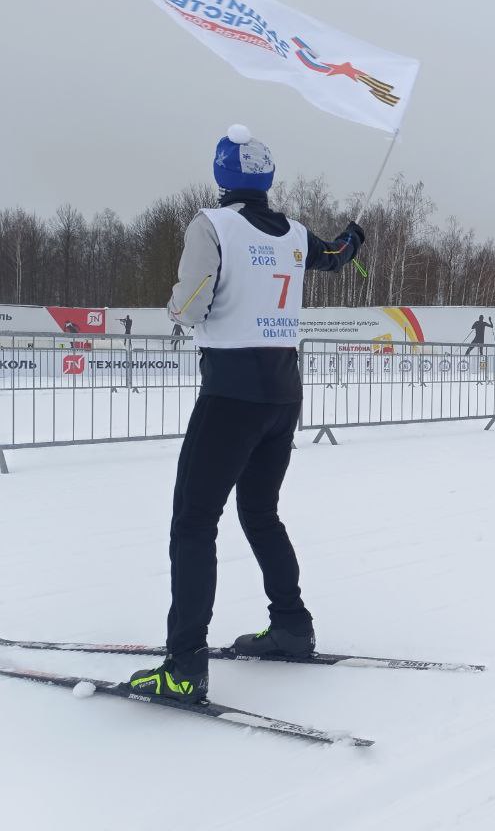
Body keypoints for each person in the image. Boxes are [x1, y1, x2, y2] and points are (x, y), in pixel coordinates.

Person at [128, 125, 364, 703]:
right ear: (267, 178)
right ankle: (291, 626)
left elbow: (190, 301)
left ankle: (184, 664)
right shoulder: (295, 233)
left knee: (193, 520)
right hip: (284, 393)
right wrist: (353, 238)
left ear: (221, 174)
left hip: (231, 392)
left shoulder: (211, 224)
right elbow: (334, 257)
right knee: (260, 512)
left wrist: (176, 311)